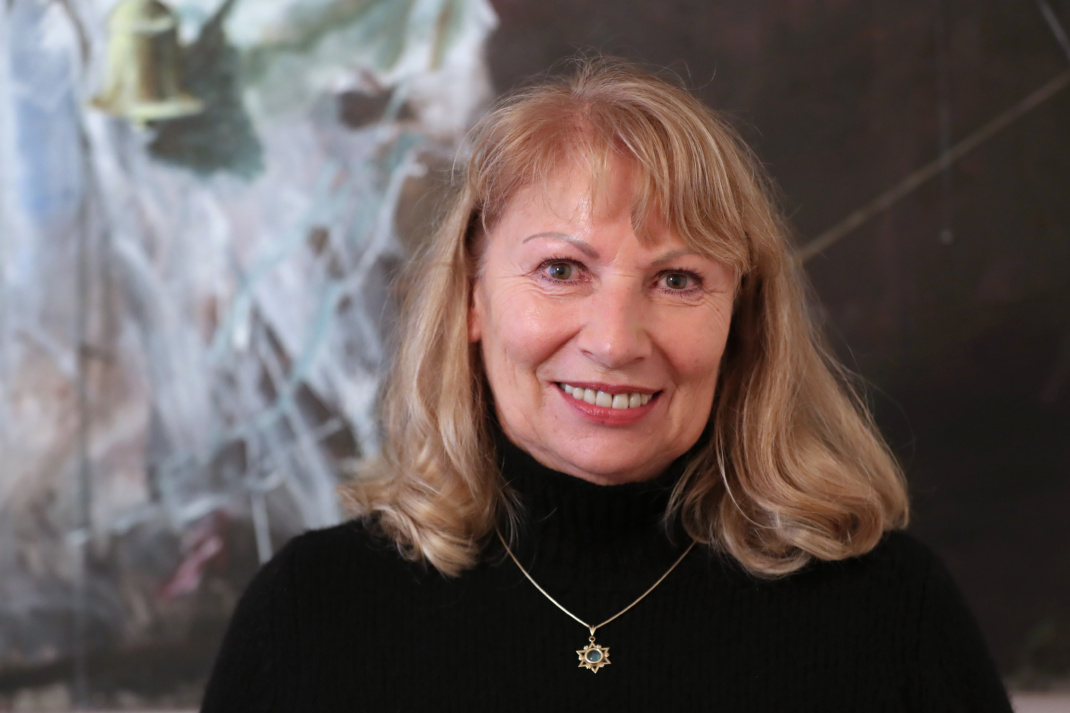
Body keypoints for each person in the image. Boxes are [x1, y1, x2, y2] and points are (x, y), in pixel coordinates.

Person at [201, 58, 1013, 711]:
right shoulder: (307, 614)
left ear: (742, 319)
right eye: (562, 269)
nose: (616, 341)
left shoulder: (894, 615)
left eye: (678, 280)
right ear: (471, 299)